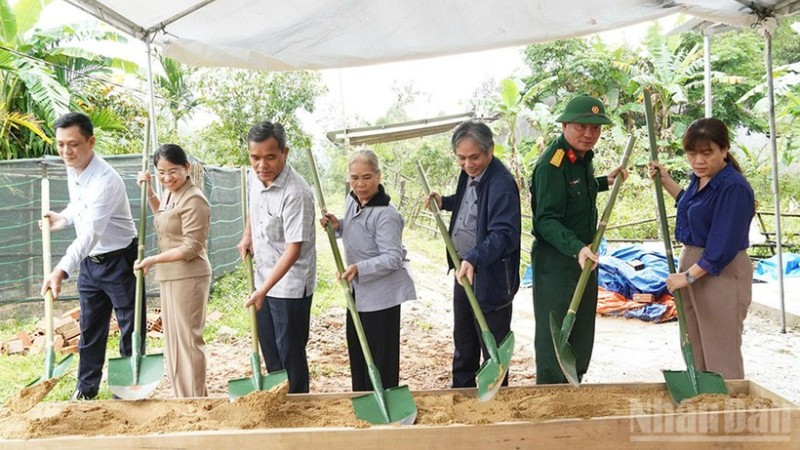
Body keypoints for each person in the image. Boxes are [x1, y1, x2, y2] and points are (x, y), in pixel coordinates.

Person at [40, 112, 143, 400]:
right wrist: (63, 218)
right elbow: (81, 206)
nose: (66, 151)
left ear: (91, 141)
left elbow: (91, 234)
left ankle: (127, 390)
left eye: (72, 144)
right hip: (90, 263)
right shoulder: (74, 169)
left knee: (129, 327)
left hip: (119, 260)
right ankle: (85, 390)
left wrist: (61, 270)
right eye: (60, 145)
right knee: (90, 329)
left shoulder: (106, 179)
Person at [530, 94, 627, 384]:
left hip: (585, 255)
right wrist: (576, 248)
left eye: (595, 128)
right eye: (581, 127)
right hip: (558, 260)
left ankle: (574, 382)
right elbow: (545, 219)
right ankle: (550, 389)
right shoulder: (553, 164)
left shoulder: (582, 159)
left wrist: (603, 182)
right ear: (565, 126)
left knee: (582, 325)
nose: (589, 134)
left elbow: (575, 191)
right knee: (556, 328)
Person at [649, 117, 755, 379]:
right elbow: (691, 205)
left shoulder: (734, 187)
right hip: (694, 267)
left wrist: (686, 277)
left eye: (707, 153)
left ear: (724, 149)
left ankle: (729, 411)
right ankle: (706, 403)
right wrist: (666, 181)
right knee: (695, 342)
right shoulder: (700, 178)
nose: (698, 160)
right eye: (692, 153)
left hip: (720, 272)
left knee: (720, 348)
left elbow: (721, 246)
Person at [426, 120, 521, 389]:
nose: (468, 164)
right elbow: (470, 204)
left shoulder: (502, 183)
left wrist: (474, 258)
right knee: (464, 342)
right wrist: (445, 202)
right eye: (462, 158)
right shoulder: (468, 173)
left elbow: (505, 234)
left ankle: (495, 402)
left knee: (493, 350)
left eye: (474, 157)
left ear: (490, 150)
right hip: (464, 271)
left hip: (491, 279)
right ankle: (462, 395)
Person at [320, 150, 416, 392]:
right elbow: (356, 229)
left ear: (378, 176)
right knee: (358, 349)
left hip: (382, 296)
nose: (360, 184)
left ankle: (385, 402)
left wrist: (358, 268)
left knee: (381, 355)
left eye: (367, 177)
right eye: (354, 178)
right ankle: (363, 396)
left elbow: (393, 258)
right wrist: (338, 225)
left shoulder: (387, 215)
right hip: (357, 291)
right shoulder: (352, 200)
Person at [238, 120, 316, 393]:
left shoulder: (297, 193)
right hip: (264, 280)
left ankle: (297, 402)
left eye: (270, 157)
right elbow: (254, 206)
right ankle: (277, 399)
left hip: (290, 286)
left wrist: (264, 289)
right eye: (255, 158)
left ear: (285, 152)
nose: (262, 165)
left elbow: (293, 249)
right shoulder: (254, 176)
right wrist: (248, 234)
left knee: (289, 351)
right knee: (269, 347)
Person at [134, 144, 212, 397]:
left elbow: (191, 248)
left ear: (186, 168)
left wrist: (153, 260)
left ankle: (195, 400)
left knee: (188, 341)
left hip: (189, 276)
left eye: (173, 171)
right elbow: (164, 217)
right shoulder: (171, 193)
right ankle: (184, 397)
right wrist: (150, 192)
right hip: (170, 275)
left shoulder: (194, 199)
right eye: (161, 172)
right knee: (174, 343)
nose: (167, 178)